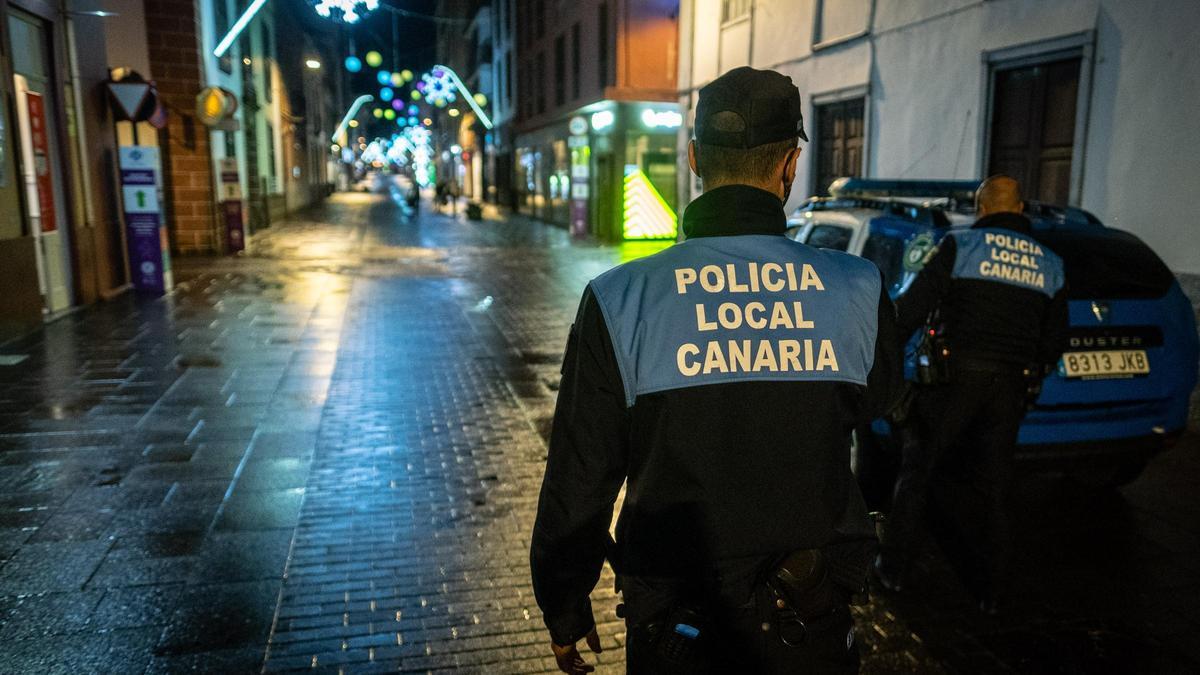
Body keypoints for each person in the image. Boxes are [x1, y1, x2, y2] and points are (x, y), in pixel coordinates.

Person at [529, 66, 903, 674]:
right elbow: (881, 399)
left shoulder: (620, 297)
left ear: (696, 157)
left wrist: (564, 605)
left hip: (677, 629)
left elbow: (580, 475)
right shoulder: (856, 287)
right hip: (809, 619)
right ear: (788, 167)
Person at [874, 175, 1068, 613]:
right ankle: (992, 592)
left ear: (982, 209)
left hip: (953, 383)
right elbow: (1055, 340)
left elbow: (911, 310)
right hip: (1010, 386)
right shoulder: (1050, 262)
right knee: (995, 488)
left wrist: (885, 357)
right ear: (1019, 209)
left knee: (918, 470)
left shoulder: (961, 246)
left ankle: (894, 570)